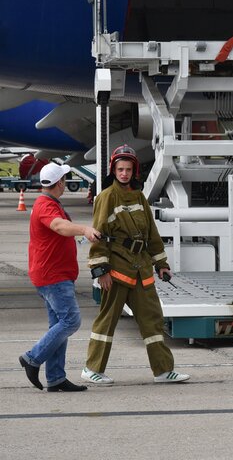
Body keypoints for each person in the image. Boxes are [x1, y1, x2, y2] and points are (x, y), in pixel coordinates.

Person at [82, 145, 190, 385]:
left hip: (141, 269)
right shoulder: (107, 197)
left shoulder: (140, 196)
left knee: (153, 319)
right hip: (117, 269)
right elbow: (98, 234)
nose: (124, 173)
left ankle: (163, 371)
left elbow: (152, 233)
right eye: (120, 169)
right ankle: (92, 369)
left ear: (134, 171)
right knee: (107, 320)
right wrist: (101, 271)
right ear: (114, 170)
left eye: (128, 169)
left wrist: (161, 263)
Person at [19, 163, 101, 392]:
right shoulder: (46, 205)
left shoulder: (49, 203)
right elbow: (58, 226)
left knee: (58, 324)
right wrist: (84, 229)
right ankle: (32, 358)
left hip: (53, 273)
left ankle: (55, 378)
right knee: (71, 321)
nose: (65, 183)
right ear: (59, 183)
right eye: (64, 179)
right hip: (52, 275)